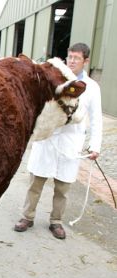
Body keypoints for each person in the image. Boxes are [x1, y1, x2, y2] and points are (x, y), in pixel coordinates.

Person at [14, 43, 102, 240]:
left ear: (85, 61)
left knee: (62, 188)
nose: (71, 61)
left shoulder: (92, 88)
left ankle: (56, 221)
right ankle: (27, 217)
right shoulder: (55, 79)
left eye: (76, 58)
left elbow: (96, 119)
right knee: (35, 183)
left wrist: (95, 145)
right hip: (48, 139)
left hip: (70, 141)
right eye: (70, 57)